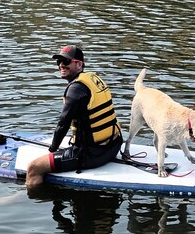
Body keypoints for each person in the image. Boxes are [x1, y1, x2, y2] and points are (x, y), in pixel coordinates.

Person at [26, 45, 123, 193]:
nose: (61, 65)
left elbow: (62, 125)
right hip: (113, 146)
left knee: (34, 168)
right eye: (58, 62)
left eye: (65, 61)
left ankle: (29, 196)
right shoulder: (93, 79)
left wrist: (52, 150)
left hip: (91, 155)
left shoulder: (76, 89)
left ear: (79, 64)